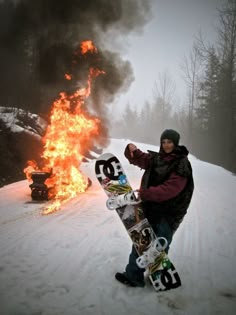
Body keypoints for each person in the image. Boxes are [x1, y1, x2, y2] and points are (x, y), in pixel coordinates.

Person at [115, 129, 194, 287]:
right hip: (151, 208)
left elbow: (170, 189)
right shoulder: (158, 158)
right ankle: (133, 276)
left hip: (168, 213)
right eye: (164, 142)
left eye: (169, 142)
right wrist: (133, 150)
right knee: (141, 242)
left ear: (175, 143)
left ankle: (157, 275)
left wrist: (146, 193)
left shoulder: (181, 163)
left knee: (158, 246)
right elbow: (143, 159)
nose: (166, 145)